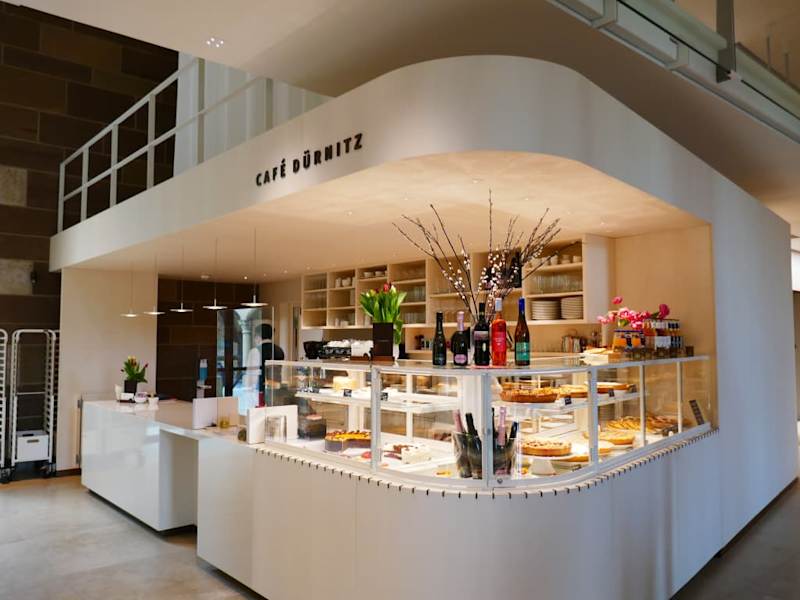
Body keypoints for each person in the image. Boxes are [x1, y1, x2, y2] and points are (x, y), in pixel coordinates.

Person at [248, 323, 285, 406]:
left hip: (261, 392)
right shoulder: (279, 350)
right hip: (277, 390)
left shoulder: (255, 351)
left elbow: (253, 377)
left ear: (258, 336)